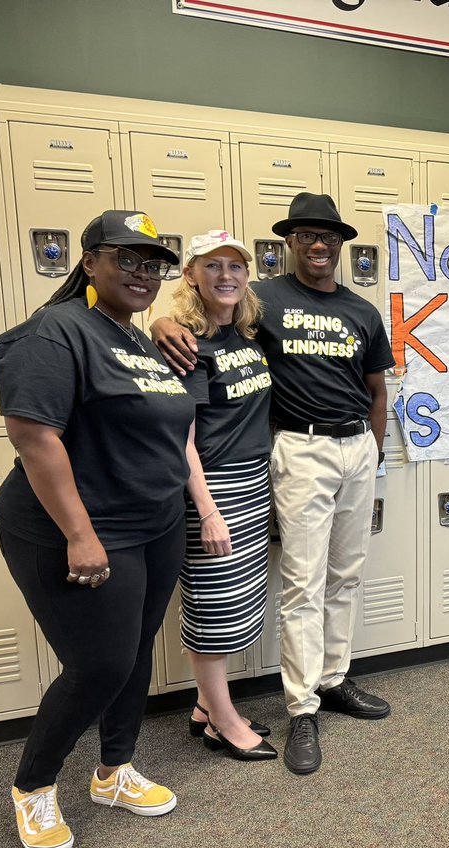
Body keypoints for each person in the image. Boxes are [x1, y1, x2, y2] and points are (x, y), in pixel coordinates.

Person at [152, 193, 394, 775]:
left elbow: (378, 391)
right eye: (307, 235)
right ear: (289, 242)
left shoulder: (363, 310)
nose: (319, 245)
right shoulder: (268, 302)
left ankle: (334, 679)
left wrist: (373, 456)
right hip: (299, 446)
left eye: (329, 237)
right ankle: (302, 706)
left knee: (346, 574)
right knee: (304, 584)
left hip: (356, 446)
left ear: (341, 245)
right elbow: (205, 316)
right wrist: (161, 320)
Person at [0, 211, 193, 848]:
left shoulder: (136, 338)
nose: (143, 273)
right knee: (99, 663)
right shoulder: (56, 332)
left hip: (151, 522)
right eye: (126, 259)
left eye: (153, 263)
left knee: (133, 651)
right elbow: (32, 434)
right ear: (90, 262)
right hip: (74, 527)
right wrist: (80, 535)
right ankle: (33, 785)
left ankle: (114, 770)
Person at [168, 230, 277, 761]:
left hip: (254, 481)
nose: (226, 276)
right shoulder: (188, 346)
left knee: (234, 603)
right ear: (191, 275)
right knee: (214, 606)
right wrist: (208, 511)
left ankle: (203, 706)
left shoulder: (248, 337)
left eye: (235, 266)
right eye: (212, 266)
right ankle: (224, 722)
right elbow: (181, 437)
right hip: (214, 487)